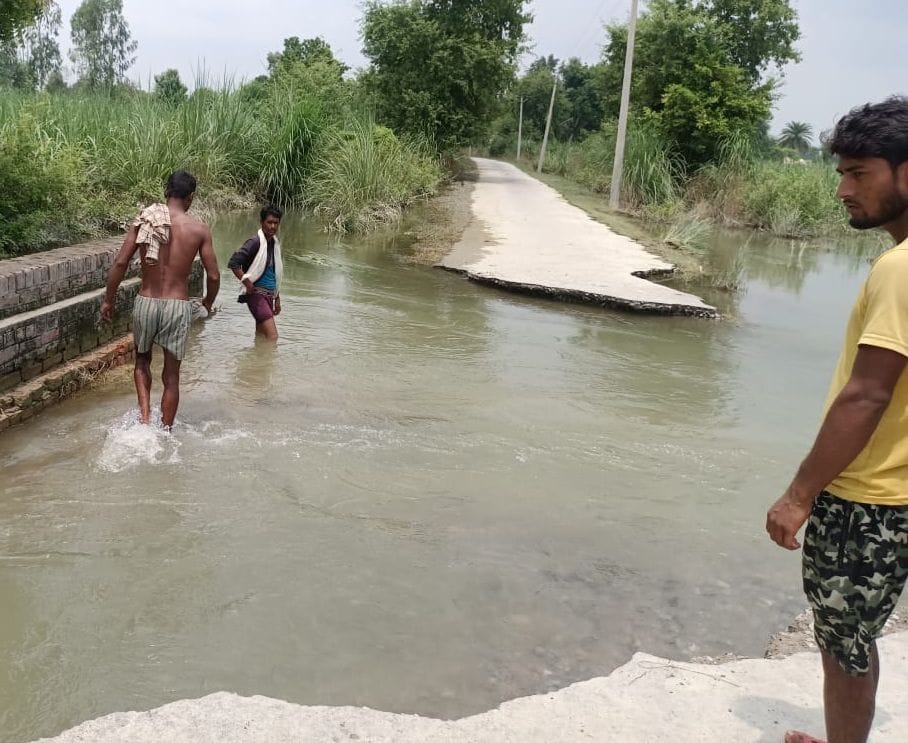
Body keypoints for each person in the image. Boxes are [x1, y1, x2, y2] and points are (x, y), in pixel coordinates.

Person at [766, 97, 908, 743]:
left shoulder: (900, 268)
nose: (842, 189)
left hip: (872, 499)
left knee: (845, 638)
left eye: (860, 173)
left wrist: (799, 495)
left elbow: (866, 396)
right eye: (841, 173)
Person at [100, 170, 220, 429]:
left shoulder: (145, 222)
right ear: (190, 198)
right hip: (178, 305)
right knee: (172, 377)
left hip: (147, 300)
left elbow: (121, 262)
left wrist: (108, 300)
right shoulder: (198, 229)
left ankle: (144, 421)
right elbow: (213, 275)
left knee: (142, 361)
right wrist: (207, 304)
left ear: (166, 192)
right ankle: (165, 430)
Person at [228, 205, 284, 341]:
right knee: (273, 337)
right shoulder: (255, 242)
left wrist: (277, 299)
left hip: (268, 297)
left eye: (276, 223)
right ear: (261, 222)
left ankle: (256, 361)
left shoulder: (273, 244)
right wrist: (248, 284)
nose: (272, 226)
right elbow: (234, 263)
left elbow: (274, 274)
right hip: (257, 296)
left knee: (261, 337)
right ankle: (267, 362)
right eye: (269, 222)